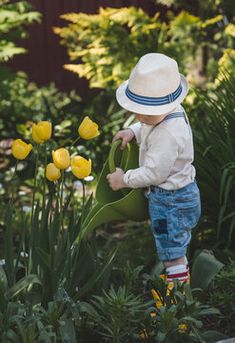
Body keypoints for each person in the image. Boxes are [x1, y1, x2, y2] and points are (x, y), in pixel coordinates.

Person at [106, 53, 201, 288]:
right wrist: (133, 131)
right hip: (181, 194)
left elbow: (153, 174)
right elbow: (149, 125)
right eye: (137, 110)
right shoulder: (168, 114)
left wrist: (123, 179)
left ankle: (177, 301)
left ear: (164, 107)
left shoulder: (167, 134)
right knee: (174, 245)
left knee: (171, 254)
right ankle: (176, 282)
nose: (140, 116)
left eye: (145, 113)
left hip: (171, 202)